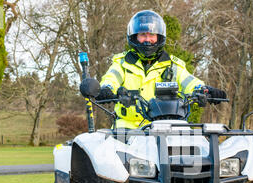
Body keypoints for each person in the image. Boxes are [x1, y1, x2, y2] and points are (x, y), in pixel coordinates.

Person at [93, 10, 227, 129]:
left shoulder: (173, 65)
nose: (148, 40)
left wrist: (204, 90)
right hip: (127, 131)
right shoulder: (121, 63)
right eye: (143, 35)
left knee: (191, 151)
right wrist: (107, 90)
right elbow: (111, 78)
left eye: (152, 35)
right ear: (134, 37)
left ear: (159, 37)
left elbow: (189, 81)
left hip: (166, 128)